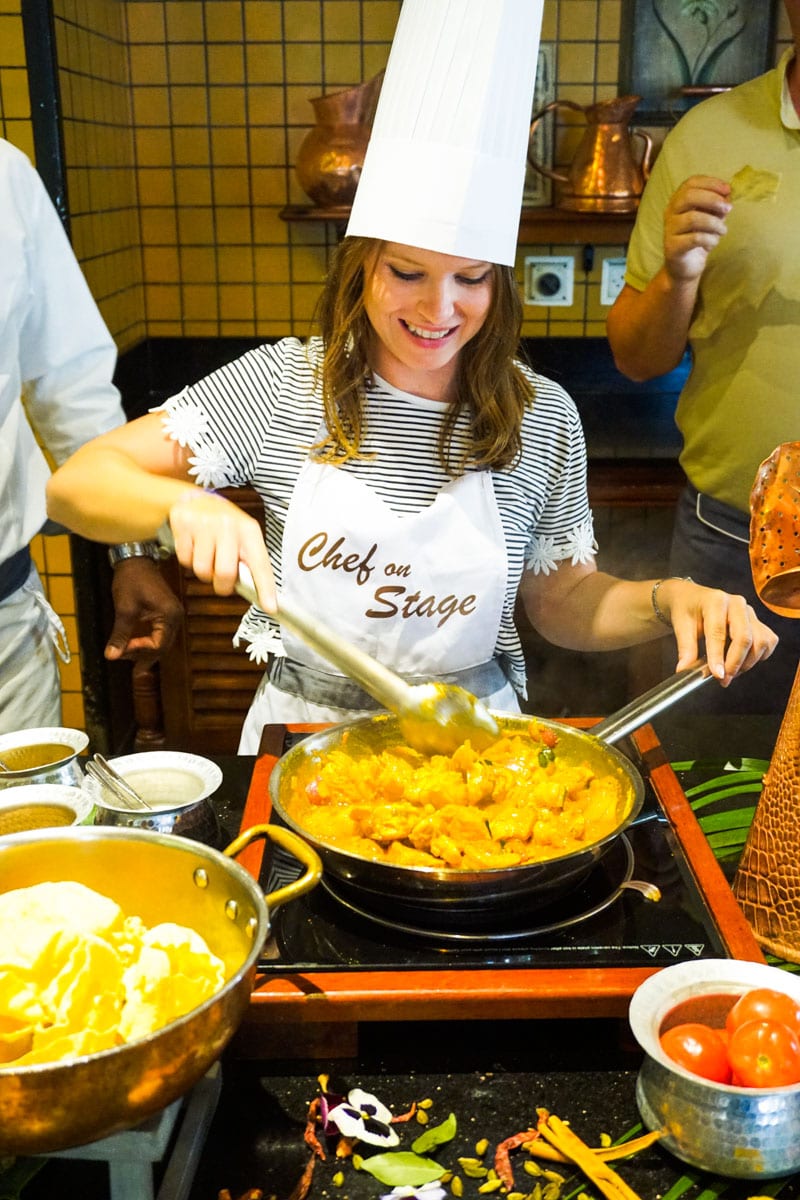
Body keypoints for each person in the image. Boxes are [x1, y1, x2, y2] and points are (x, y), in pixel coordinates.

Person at [46, 0, 778, 753]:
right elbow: (76, 484)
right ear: (362, 266)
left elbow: (562, 600)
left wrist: (669, 598)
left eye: (471, 278)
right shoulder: (281, 387)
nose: (440, 308)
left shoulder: (542, 416)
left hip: (478, 742)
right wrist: (177, 506)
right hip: (303, 735)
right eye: (407, 272)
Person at [606, 1, 800, 714]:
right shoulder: (712, 137)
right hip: (732, 539)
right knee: (716, 780)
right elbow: (635, 357)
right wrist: (679, 271)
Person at [0, 136, 182, 735]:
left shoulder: (6, 177)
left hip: (5, 622)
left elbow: (69, 380)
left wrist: (131, 549)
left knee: (30, 825)